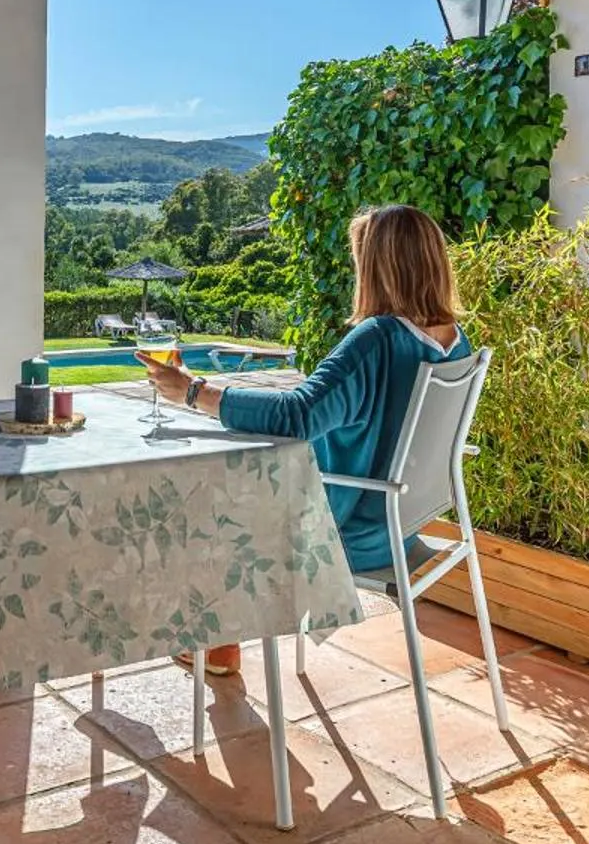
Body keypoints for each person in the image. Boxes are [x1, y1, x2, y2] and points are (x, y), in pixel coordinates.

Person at [141, 204, 472, 676]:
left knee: (207, 498)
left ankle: (211, 638)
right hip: (398, 526)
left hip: (347, 531)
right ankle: (220, 641)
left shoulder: (377, 339)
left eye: (361, 257)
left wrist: (194, 392)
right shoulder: (454, 340)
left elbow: (298, 415)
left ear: (379, 265)